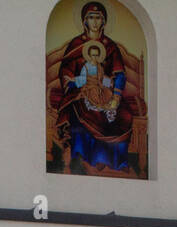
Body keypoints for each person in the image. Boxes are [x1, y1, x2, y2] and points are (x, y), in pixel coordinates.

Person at [55, 2, 136, 173]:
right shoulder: (76, 44)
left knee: (124, 114)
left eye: (98, 18)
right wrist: (72, 82)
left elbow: (119, 74)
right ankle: (87, 158)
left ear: (104, 21)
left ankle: (116, 161)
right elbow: (66, 70)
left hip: (106, 92)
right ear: (84, 21)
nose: (94, 22)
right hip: (82, 90)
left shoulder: (110, 46)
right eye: (90, 17)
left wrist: (115, 98)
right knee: (83, 110)